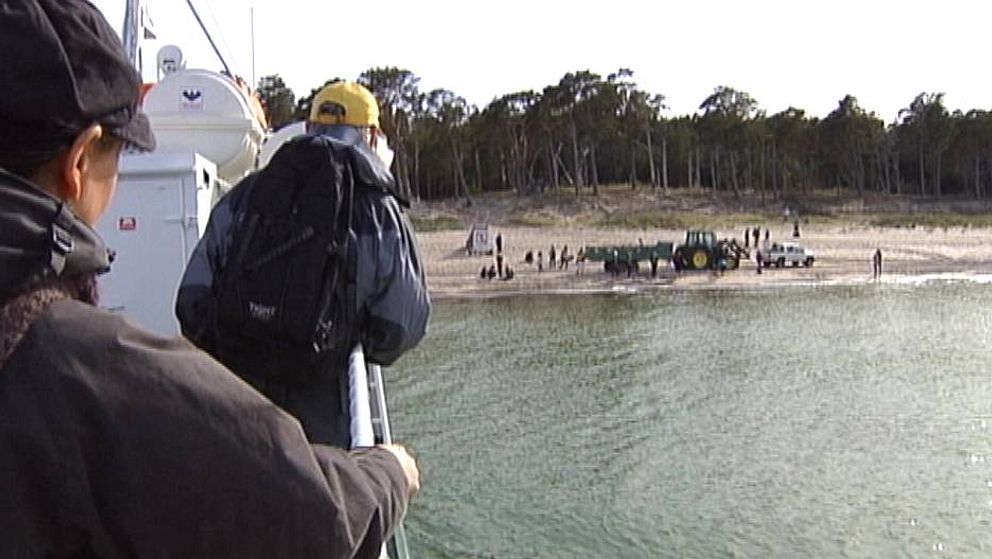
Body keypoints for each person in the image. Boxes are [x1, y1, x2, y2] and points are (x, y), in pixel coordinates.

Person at [0, 1, 417, 555]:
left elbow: (193, 299)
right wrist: (390, 470)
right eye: (118, 153)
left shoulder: (249, 195)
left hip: (239, 375)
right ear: (78, 164)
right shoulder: (77, 363)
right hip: (317, 422)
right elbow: (312, 518)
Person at [176, 80, 430, 447]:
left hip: (235, 402)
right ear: (372, 136)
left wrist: (235, 344)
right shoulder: (378, 209)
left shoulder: (248, 194)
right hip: (318, 412)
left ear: (309, 127)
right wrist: (349, 337)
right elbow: (402, 324)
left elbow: (191, 299)